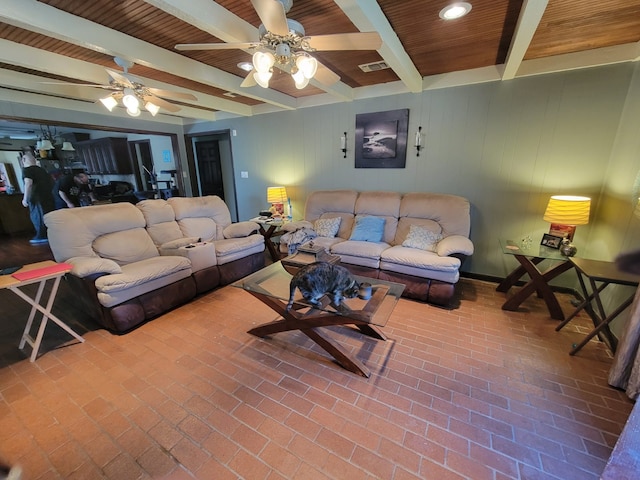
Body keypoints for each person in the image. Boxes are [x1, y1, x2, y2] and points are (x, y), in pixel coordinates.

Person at [20, 146, 55, 244]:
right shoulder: (42, 170)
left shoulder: (27, 170)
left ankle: (41, 236)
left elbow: (28, 184)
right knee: (48, 216)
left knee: (38, 217)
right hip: (48, 196)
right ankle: (50, 235)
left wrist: (25, 199)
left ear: (24, 160)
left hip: (37, 198)